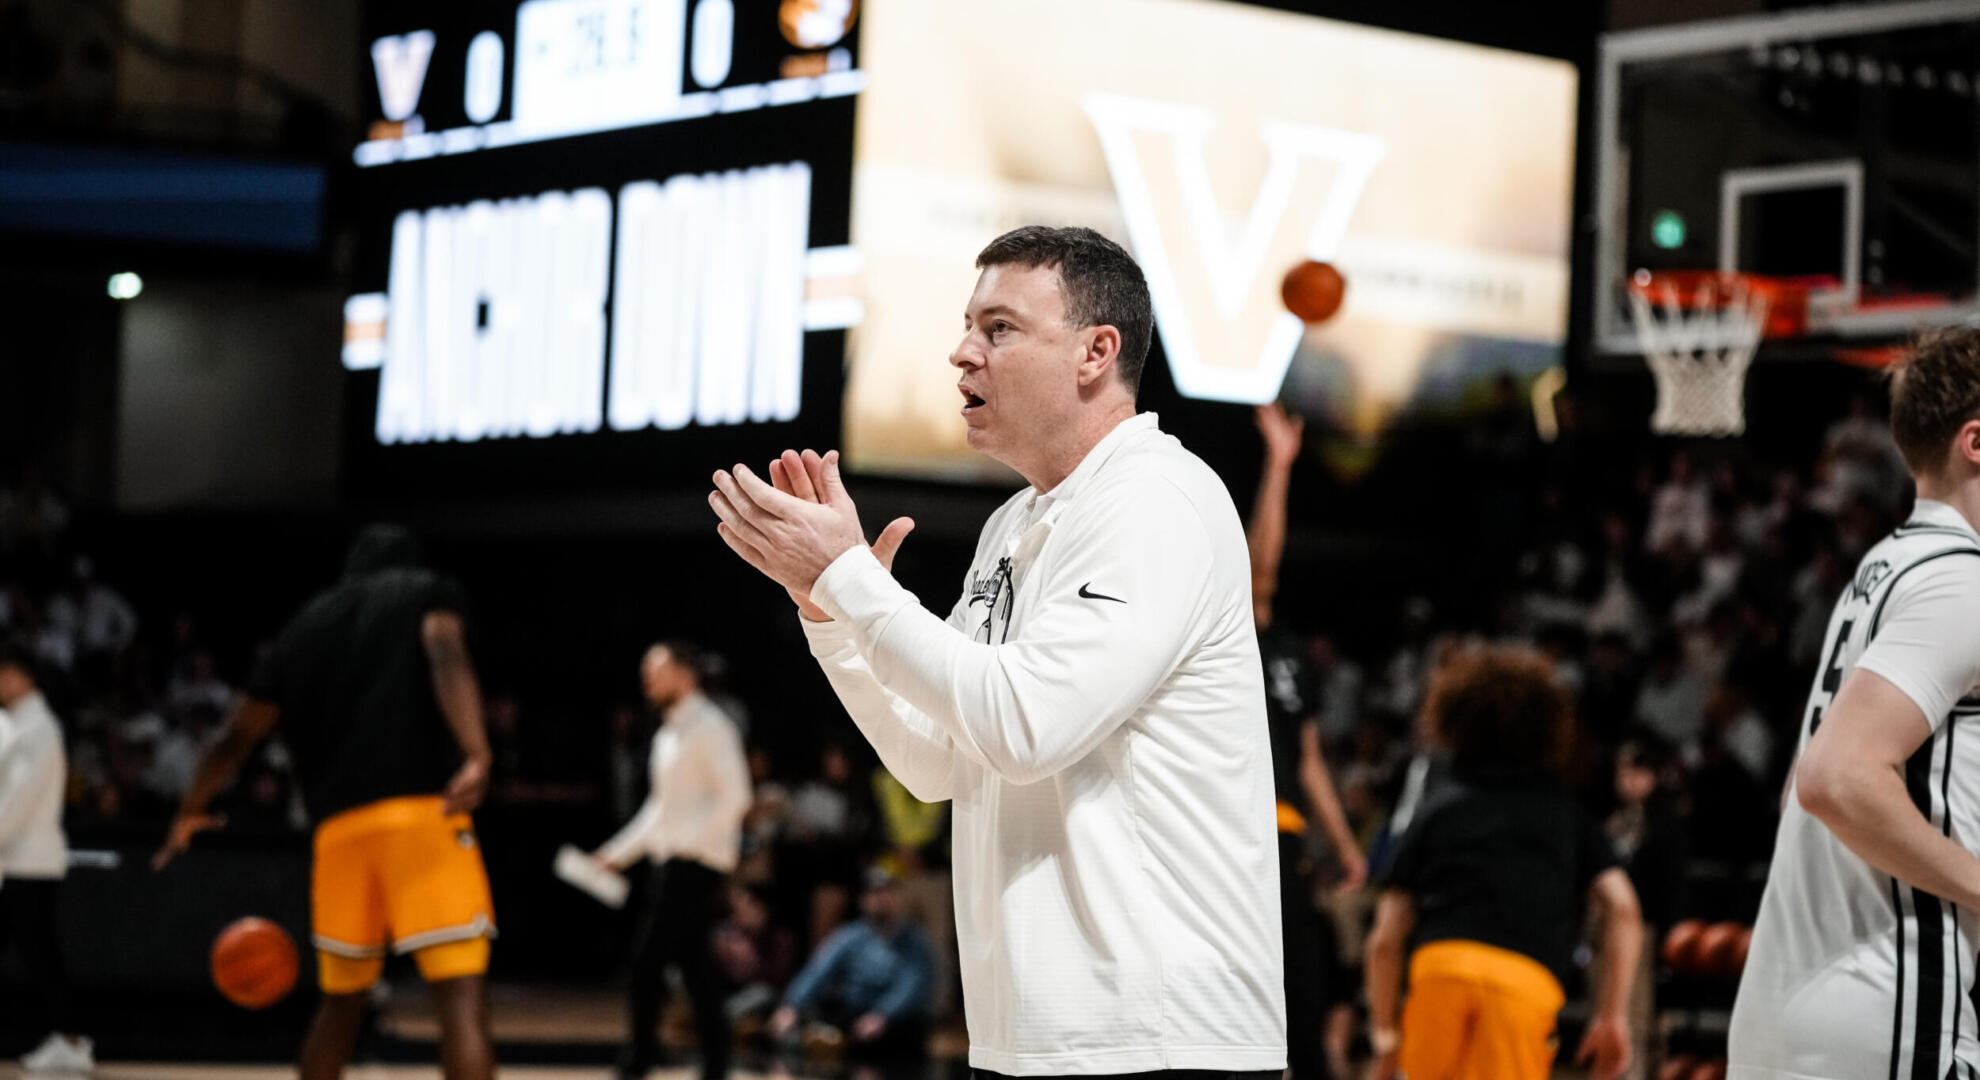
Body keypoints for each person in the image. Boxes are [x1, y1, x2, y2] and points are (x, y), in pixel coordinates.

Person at [708, 225, 1285, 1079]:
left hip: (1164, 1042)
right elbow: (938, 762)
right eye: (968, 326)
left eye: (999, 328)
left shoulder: (1156, 498)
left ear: (1096, 351)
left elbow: (1025, 727)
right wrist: (828, 618)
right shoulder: (1012, 526)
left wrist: (849, 580)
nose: (961, 352)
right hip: (1034, 1040)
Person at [154, 524, 497, 1080]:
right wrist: (477, 752)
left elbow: (234, 738)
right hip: (422, 817)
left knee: (340, 1005)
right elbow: (444, 651)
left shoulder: (305, 625)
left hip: (338, 835)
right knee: (459, 997)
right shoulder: (423, 591)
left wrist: (189, 809)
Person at [1729, 327, 1980, 1079]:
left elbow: (1802, 787)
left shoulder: (1884, 567)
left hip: (1792, 1006)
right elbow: (1835, 779)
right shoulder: (1960, 582)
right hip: (1888, 1005)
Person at [1364, 647, 1641, 1080]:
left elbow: (1385, 937)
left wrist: (1384, 1035)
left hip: (1441, 971)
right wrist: (1613, 1015)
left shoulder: (1437, 809)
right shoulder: (1566, 813)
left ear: (1454, 721)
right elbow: (1623, 908)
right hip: (1522, 985)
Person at [1248, 400, 1365, 1080]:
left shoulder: (1291, 656)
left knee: (1306, 1004)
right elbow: (1261, 567)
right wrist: (1279, 467)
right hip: (1226, 840)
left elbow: (1312, 762)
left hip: (1287, 842)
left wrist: (1346, 846)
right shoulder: (1229, 637)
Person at [591, 641, 752, 1080]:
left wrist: (692, 846)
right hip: (672, 864)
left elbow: (736, 797)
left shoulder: (710, 727)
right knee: (696, 971)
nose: (648, 679)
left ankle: (639, 1060)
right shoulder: (666, 734)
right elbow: (659, 811)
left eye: (656, 669)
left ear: (686, 674)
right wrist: (615, 855)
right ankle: (716, 1065)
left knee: (646, 964)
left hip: (694, 866)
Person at [0, 639, 93, 1073]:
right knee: (42, 955)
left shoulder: (38, 728)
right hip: (14, 861)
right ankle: (71, 1039)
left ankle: (72, 1042)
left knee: (42, 956)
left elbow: (16, 801)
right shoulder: (15, 724)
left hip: (28, 864)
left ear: (22, 676)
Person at [769, 867, 935, 1072]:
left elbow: (911, 987)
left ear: (898, 897)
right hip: (853, 1015)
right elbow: (818, 971)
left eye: (886, 892)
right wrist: (792, 1006)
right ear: (863, 900)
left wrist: (882, 1015)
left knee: (907, 1033)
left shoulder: (914, 942)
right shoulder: (850, 936)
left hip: (894, 1022)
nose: (880, 899)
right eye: (873, 893)